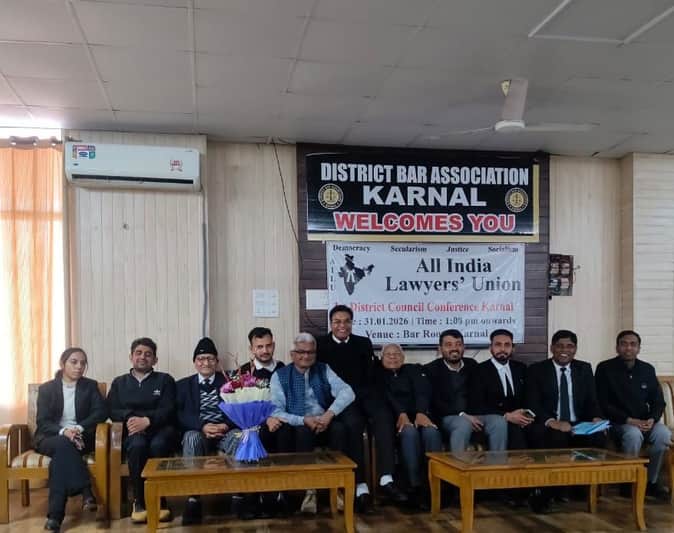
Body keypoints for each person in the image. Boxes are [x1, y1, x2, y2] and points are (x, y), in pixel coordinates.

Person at [317, 304, 406, 511]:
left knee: (384, 416)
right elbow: (321, 380)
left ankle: (386, 478)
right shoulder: (321, 345)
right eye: (337, 322)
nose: (342, 325)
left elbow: (371, 375)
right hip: (340, 400)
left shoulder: (363, 343)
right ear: (331, 324)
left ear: (352, 322)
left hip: (364, 396)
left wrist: (371, 398)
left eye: (346, 321)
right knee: (354, 424)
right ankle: (360, 487)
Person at [270, 332, 356, 514]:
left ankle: (337, 488)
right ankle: (310, 490)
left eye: (310, 352)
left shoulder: (324, 369)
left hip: (324, 420)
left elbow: (348, 392)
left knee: (340, 429)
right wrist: (303, 420)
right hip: (298, 424)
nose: (306, 356)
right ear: (292, 354)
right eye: (301, 352)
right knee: (303, 432)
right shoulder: (280, 375)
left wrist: (329, 414)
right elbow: (276, 411)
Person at [526, 330, 606, 512]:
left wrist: (596, 417)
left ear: (575, 349)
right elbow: (532, 403)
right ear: (551, 348)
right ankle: (550, 492)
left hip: (578, 423)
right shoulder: (537, 370)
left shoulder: (584, 369)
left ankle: (583, 489)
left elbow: (592, 401)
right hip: (550, 423)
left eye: (569, 346)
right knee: (556, 438)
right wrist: (551, 421)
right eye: (560, 346)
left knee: (597, 437)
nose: (564, 350)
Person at [35, 348, 107, 532]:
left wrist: (79, 428)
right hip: (51, 437)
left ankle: (55, 517)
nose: (79, 366)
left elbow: (100, 412)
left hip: (81, 436)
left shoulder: (90, 386)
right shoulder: (46, 389)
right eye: (74, 362)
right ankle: (86, 490)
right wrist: (64, 431)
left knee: (60, 460)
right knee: (64, 443)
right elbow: (43, 422)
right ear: (62, 363)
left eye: (83, 363)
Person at [108, 337, 178, 523]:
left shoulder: (165, 380)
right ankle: (139, 501)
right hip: (133, 431)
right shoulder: (119, 383)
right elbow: (112, 410)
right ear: (131, 357)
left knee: (158, 445)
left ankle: (160, 498)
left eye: (148, 354)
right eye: (138, 353)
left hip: (161, 429)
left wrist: (148, 420)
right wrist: (132, 419)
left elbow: (169, 409)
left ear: (155, 360)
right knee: (137, 446)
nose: (143, 357)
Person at [596, 330, 672, 501]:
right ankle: (628, 483)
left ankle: (650, 482)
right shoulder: (605, 368)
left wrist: (652, 419)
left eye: (633, 344)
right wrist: (629, 420)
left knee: (663, 433)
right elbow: (603, 403)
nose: (628, 348)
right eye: (624, 344)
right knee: (633, 434)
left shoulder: (647, 369)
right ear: (617, 347)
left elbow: (658, 401)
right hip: (618, 422)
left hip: (645, 421)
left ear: (639, 348)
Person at [374, 343, 442, 508]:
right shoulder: (377, 375)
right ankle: (414, 487)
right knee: (409, 433)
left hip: (419, 415)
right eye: (388, 354)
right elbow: (386, 397)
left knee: (431, 433)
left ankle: (435, 485)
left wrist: (421, 412)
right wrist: (401, 413)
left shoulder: (413, 369)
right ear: (381, 358)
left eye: (396, 354)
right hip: (393, 420)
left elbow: (423, 391)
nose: (393, 357)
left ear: (403, 358)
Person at [230, 327, 286, 519]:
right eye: (259, 347)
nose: (265, 350)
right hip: (252, 424)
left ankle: (277, 495)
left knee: (284, 434)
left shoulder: (283, 369)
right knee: (254, 436)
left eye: (268, 346)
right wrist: (265, 419)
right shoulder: (243, 372)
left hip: (280, 421)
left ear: (274, 345)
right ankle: (252, 497)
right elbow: (240, 405)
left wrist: (276, 417)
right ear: (251, 349)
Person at [176, 337, 231, 525]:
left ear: (217, 361)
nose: (205, 363)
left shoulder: (229, 382)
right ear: (194, 362)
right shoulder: (183, 385)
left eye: (210, 358)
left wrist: (226, 425)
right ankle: (193, 498)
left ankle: (240, 496)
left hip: (225, 431)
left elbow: (240, 408)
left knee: (243, 437)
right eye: (201, 359)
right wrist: (202, 426)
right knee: (190, 438)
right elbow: (178, 415)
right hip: (198, 431)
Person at [425, 329, 492, 452]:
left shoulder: (472, 365)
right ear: (440, 349)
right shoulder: (431, 369)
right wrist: (463, 415)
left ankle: (498, 463)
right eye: (448, 345)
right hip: (447, 416)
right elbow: (435, 402)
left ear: (464, 347)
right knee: (463, 423)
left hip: (473, 414)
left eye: (458, 344)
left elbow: (480, 394)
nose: (454, 348)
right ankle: (457, 464)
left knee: (498, 422)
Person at [469, 329, 532, 450]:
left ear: (513, 348)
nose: (502, 349)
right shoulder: (479, 371)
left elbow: (528, 396)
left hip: (520, 418)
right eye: (498, 345)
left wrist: (526, 414)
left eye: (507, 345)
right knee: (515, 433)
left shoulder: (521, 368)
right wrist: (506, 415)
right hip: (494, 419)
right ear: (490, 348)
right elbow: (476, 405)